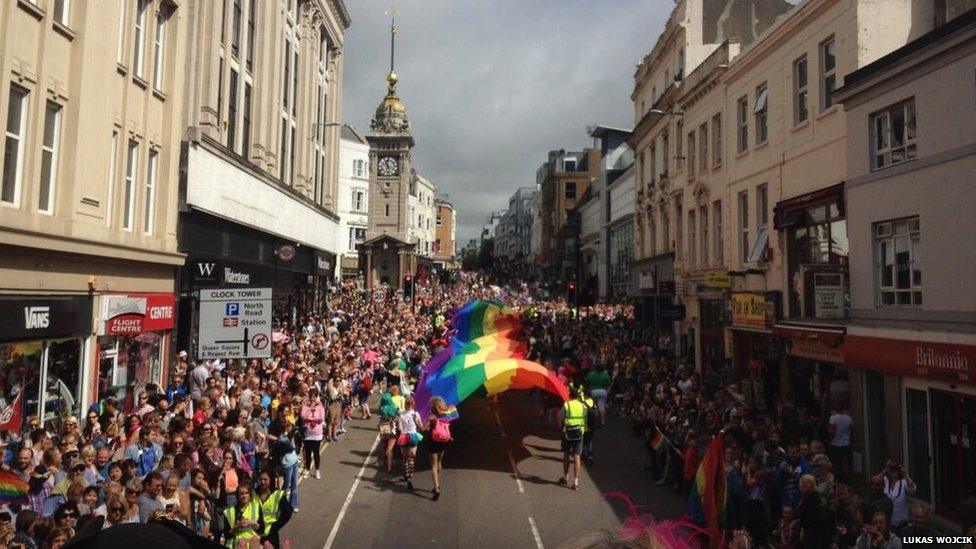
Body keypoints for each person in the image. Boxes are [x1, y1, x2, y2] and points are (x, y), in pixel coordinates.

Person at [559, 386, 588, 491]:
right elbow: (585, 419)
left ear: (570, 395)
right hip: (579, 433)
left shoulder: (567, 405)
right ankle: (576, 482)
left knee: (566, 454)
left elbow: (560, 417)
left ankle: (565, 477)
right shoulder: (583, 406)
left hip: (567, 432)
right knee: (577, 456)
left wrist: (561, 426)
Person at [255, 470, 293, 549]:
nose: (262, 482)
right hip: (256, 532)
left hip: (271, 534)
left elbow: (288, 512)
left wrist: (275, 526)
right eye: (261, 479)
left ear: (270, 480)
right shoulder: (254, 493)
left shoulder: (277, 495)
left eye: (265, 480)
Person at [425, 396, 452, 501]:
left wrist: (418, 423)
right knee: (440, 462)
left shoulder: (432, 417)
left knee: (433, 465)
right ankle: (438, 484)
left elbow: (425, 428)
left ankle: (436, 488)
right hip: (442, 442)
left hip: (433, 442)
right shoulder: (445, 416)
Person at [222, 484, 264, 549]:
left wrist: (253, 523)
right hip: (236, 545)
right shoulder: (229, 511)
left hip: (253, 544)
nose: (244, 496)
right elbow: (226, 534)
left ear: (250, 494)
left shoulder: (257, 507)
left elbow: (262, 530)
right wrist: (236, 527)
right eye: (241, 494)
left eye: (246, 493)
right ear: (237, 496)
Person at [395, 395, 423, 491]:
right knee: (411, 458)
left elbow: (399, 428)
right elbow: (420, 425)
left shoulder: (401, 415)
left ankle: (406, 474)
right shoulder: (416, 414)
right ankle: (409, 477)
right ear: (413, 404)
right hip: (413, 436)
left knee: (404, 458)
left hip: (403, 437)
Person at [881, 460, 916, 528]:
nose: (894, 472)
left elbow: (913, 490)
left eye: (896, 470)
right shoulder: (885, 480)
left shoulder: (904, 482)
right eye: (891, 470)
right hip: (888, 520)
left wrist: (905, 474)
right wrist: (885, 470)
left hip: (902, 520)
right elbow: (875, 481)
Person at [300, 387, 325, 479]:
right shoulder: (305, 406)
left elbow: (321, 418)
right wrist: (309, 410)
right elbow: (302, 416)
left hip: (317, 433)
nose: (313, 399)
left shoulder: (320, 407)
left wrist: (311, 418)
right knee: (307, 453)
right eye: (311, 397)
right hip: (308, 433)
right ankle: (307, 470)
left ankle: (317, 470)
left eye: (314, 397)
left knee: (316, 453)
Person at [378, 392, 400, 474]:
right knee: (390, 448)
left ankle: (384, 461)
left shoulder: (381, 408)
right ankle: (389, 467)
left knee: (384, 445)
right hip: (392, 428)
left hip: (383, 427)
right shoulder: (394, 408)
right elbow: (398, 415)